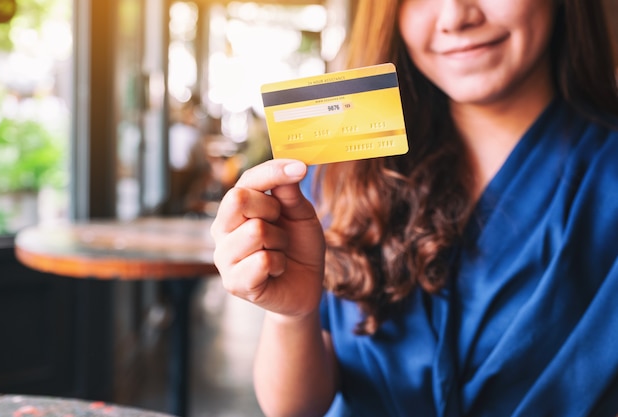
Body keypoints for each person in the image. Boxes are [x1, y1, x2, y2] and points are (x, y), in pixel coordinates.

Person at [210, 0, 618, 415]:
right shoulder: (338, 175)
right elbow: (296, 409)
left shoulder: (607, 181)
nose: (456, 17)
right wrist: (292, 315)